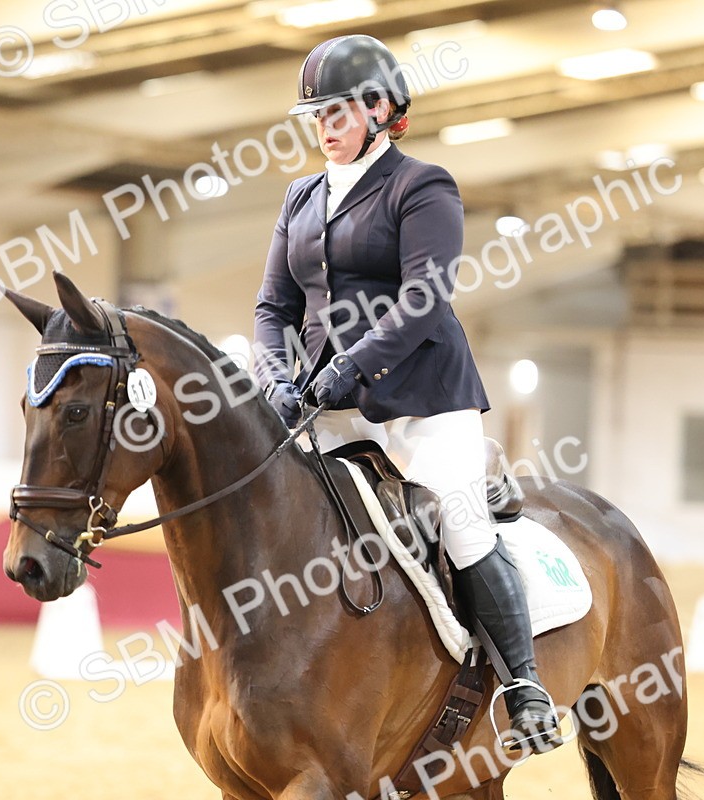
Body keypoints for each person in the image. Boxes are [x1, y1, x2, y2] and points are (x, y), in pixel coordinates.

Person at [252, 34, 561, 753]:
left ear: (382, 109)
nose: (325, 127)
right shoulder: (299, 196)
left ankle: (523, 683)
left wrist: (346, 368)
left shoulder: (422, 186)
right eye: (316, 116)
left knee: (456, 518)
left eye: (337, 113)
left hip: (424, 399)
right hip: (329, 406)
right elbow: (273, 308)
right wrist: (275, 379)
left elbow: (423, 298)